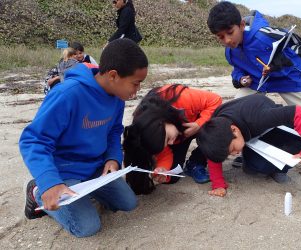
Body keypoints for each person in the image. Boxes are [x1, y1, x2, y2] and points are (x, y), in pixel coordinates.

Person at [207, 1, 301, 175]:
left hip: (287, 78)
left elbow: (297, 44)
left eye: (230, 33)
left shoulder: (263, 35)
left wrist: (278, 63)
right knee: (236, 112)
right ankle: (244, 150)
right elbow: (237, 69)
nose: (227, 40)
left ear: (241, 25)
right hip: (259, 81)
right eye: (220, 37)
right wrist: (240, 79)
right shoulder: (230, 51)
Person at [20, 39, 148, 238]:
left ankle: (82, 193)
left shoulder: (117, 98)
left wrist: (113, 158)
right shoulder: (67, 94)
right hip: (64, 170)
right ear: (113, 75)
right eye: (136, 83)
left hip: (95, 168)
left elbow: (114, 131)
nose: (137, 90)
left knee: (128, 203)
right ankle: (36, 191)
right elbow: (33, 140)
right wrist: (49, 182)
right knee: (88, 227)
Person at [196, 94, 301, 197]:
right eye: (230, 154)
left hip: (269, 126)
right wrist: (218, 184)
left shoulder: (258, 117)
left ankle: (280, 169)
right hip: (250, 135)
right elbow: (214, 152)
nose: (234, 154)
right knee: (254, 168)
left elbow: (299, 112)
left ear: (234, 130)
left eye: (233, 150)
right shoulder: (216, 126)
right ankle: (249, 159)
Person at [123, 84, 222, 194]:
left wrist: (199, 124)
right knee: (172, 177)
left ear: (163, 122)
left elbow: (215, 100)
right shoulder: (150, 131)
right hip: (180, 132)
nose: (171, 143)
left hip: (195, 123)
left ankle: (196, 162)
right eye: (166, 141)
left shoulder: (182, 98)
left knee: (217, 126)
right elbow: (165, 152)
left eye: (168, 138)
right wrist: (162, 168)